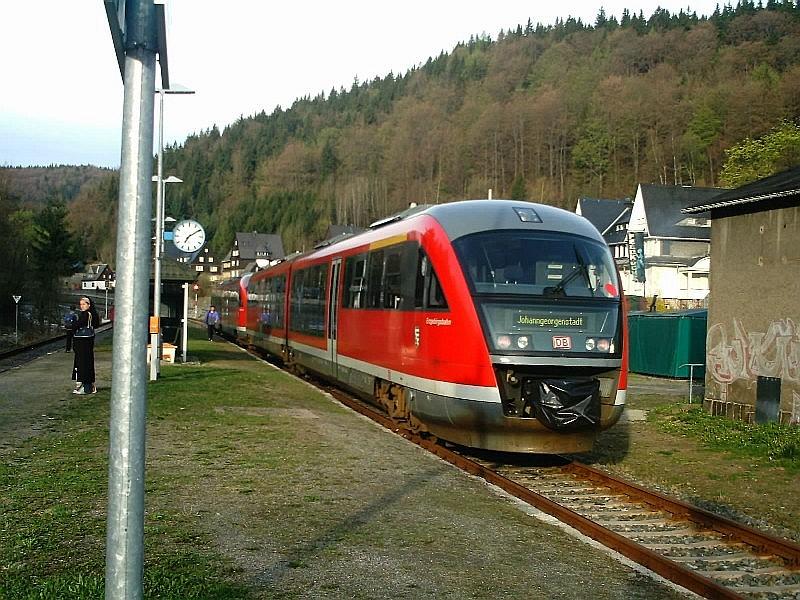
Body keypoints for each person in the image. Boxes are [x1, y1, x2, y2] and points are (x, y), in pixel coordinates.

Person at [72, 296, 100, 395]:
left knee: (83, 363)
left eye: (84, 304)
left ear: (89, 305)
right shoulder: (92, 314)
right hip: (87, 340)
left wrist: (72, 325)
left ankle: (85, 387)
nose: (82, 306)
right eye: (81, 304)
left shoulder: (86, 315)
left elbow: (78, 324)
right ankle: (90, 386)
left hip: (83, 341)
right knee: (87, 362)